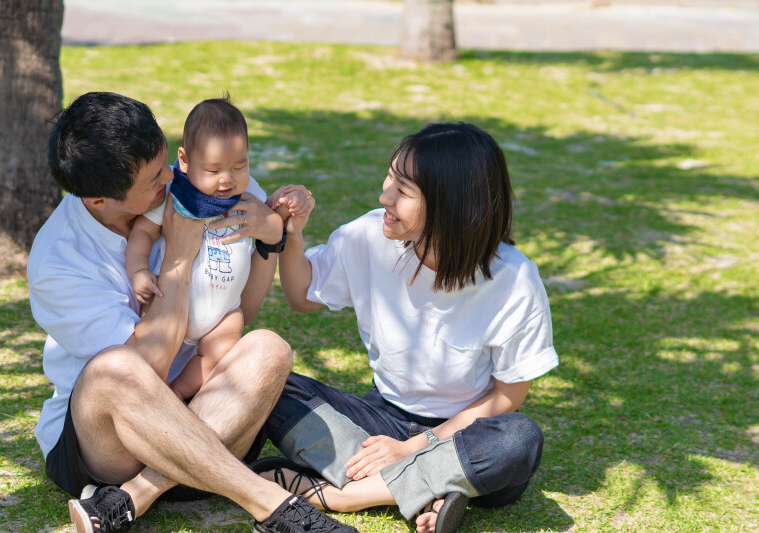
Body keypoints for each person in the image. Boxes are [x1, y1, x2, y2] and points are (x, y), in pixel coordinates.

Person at [27, 91, 357, 533]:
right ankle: (270, 503)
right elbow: (148, 371)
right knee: (115, 368)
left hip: (206, 419)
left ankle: (135, 497)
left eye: (166, 161)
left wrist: (272, 235)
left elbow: (241, 307)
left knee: (269, 348)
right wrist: (178, 259)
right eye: (153, 180)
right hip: (106, 447)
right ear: (99, 201)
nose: (170, 176)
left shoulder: (198, 185)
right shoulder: (58, 262)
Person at [252, 122, 559, 533]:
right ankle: (433, 492)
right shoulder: (369, 237)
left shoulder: (514, 279)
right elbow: (302, 296)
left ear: (451, 205)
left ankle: (344, 494)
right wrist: (293, 232)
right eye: (390, 178)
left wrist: (414, 448)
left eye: (402, 190)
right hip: (380, 420)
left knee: (518, 439)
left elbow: (509, 395)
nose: (384, 196)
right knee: (266, 379)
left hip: (465, 434)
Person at [125, 96, 309, 400]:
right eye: (213, 170)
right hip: (174, 301)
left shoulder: (249, 193)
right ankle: (158, 395)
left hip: (224, 312)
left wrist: (287, 202)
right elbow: (143, 233)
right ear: (184, 160)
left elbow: (270, 212)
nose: (227, 179)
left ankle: (177, 395)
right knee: (155, 343)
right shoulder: (176, 195)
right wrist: (139, 270)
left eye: (240, 165)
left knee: (222, 348)